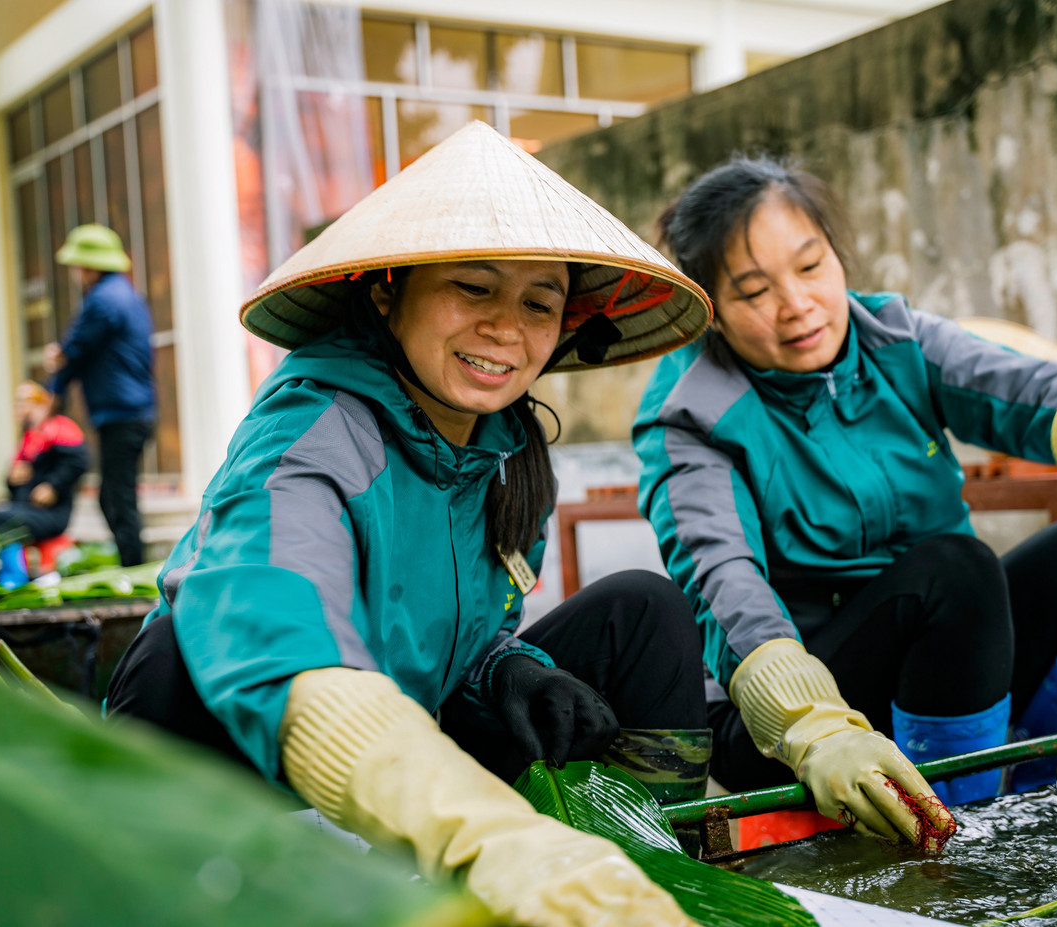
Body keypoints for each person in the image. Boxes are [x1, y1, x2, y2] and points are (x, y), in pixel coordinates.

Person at [106, 122, 719, 927]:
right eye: (474, 287)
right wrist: (491, 837)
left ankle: (651, 885)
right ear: (389, 290)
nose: (507, 327)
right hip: (249, 760)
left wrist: (510, 668)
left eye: (540, 302)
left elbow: (452, 639)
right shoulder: (313, 426)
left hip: (406, 747)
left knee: (645, 610)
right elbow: (280, 633)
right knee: (181, 653)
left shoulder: (507, 455)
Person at [633, 155, 1057, 840]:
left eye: (810, 266)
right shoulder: (688, 413)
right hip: (787, 720)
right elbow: (722, 585)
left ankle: (1039, 792)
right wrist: (811, 724)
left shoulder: (896, 338)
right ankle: (957, 835)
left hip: (943, 662)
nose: (796, 304)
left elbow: (1031, 392)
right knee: (955, 569)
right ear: (710, 310)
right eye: (752, 290)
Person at [43, 224, 155, 567]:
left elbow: (76, 351)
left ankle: (136, 570)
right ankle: (132, 563)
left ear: (89, 266)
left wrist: (56, 377)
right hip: (131, 412)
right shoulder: (123, 294)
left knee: (117, 498)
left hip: (124, 414)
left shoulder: (104, 300)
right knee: (113, 496)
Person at [0, 381, 88, 546]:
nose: (16, 409)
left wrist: (52, 486)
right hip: (23, 508)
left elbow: (80, 460)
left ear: (37, 404)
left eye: (21, 403)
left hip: (49, 514)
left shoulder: (59, 427)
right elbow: (14, 482)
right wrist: (12, 478)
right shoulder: (27, 437)